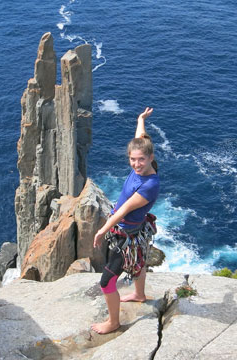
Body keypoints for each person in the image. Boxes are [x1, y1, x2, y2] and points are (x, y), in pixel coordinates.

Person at [91, 107, 160, 334]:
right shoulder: (143, 157)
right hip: (132, 231)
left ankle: (113, 322)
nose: (136, 164)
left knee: (107, 283)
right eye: (132, 159)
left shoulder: (149, 185)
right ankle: (139, 294)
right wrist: (140, 119)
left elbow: (124, 210)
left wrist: (102, 230)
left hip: (127, 236)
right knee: (138, 262)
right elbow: (140, 138)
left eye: (141, 160)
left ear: (151, 158)